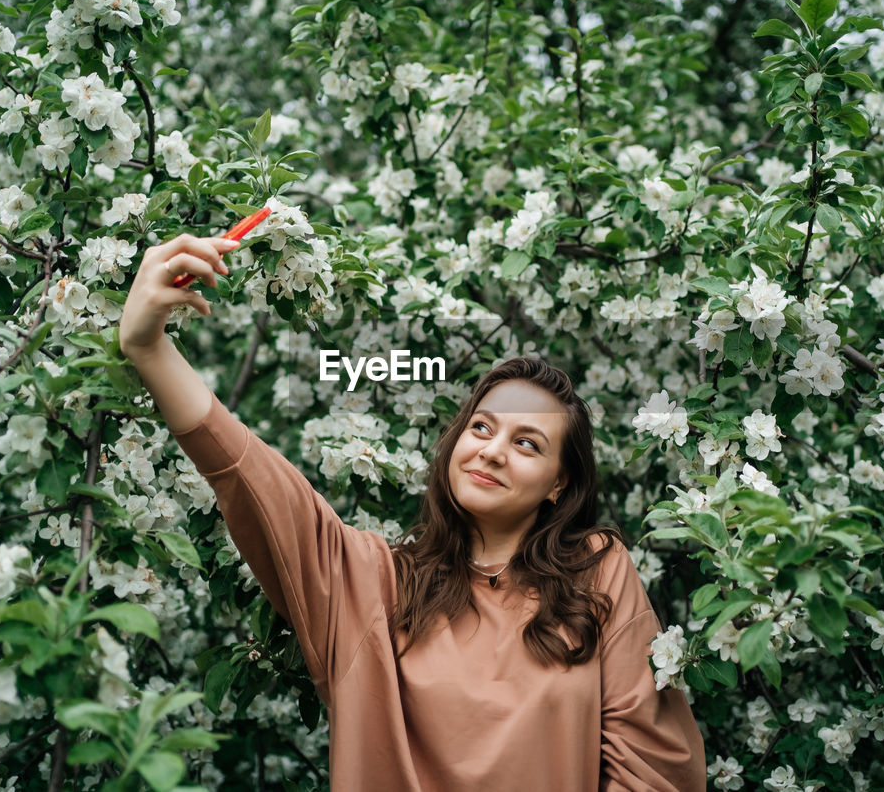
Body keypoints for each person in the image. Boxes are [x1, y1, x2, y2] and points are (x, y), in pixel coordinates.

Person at [119, 232, 708, 791]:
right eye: (481, 427)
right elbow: (260, 486)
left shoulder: (596, 576)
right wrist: (149, 347)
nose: (493, 450)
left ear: (559, 484)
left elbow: (655, 768)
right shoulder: (377, 586)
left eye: (528, 443)